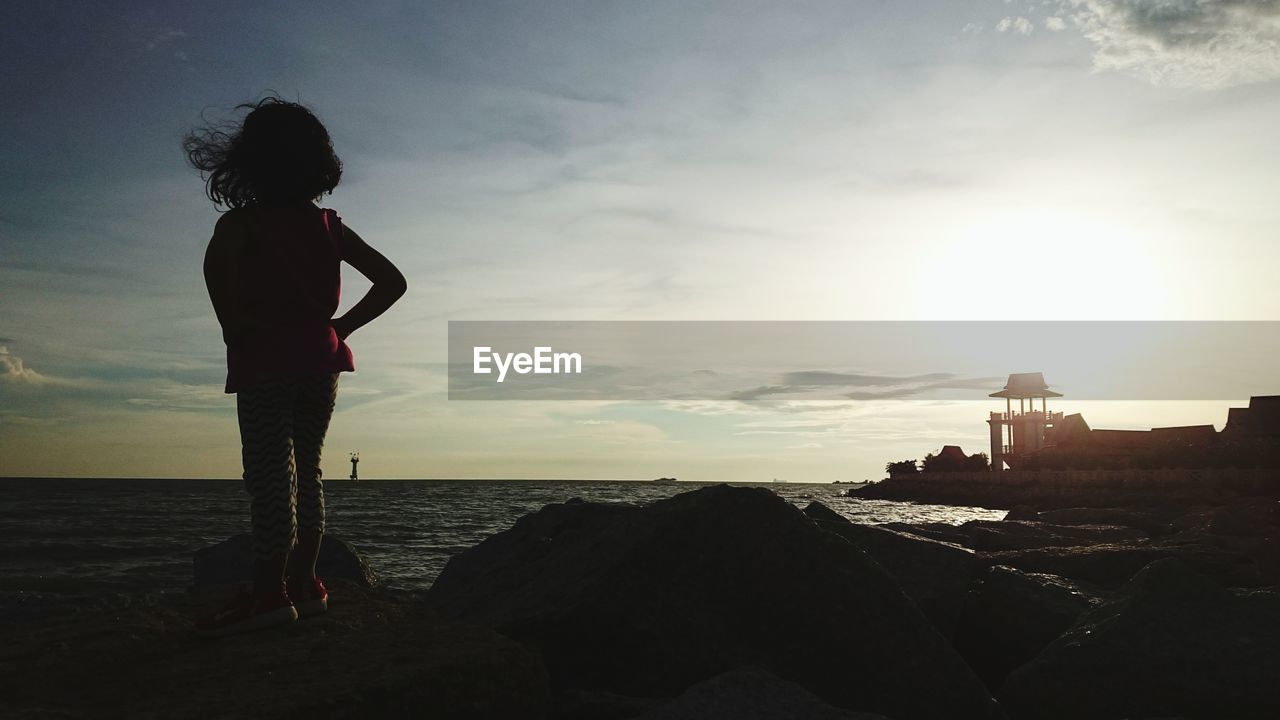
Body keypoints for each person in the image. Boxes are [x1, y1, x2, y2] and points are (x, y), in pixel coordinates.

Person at [185, 97, 407, 636]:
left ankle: (268, 593)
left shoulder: (240, 226)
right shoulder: (328, 225)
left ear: (250, 162)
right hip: (321, 361)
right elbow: (392, 282)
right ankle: (306, 584)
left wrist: (235, 329)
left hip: (266, 360)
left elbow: (219, 282)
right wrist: (343, 328)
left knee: (268, 475)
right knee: (307, 470)